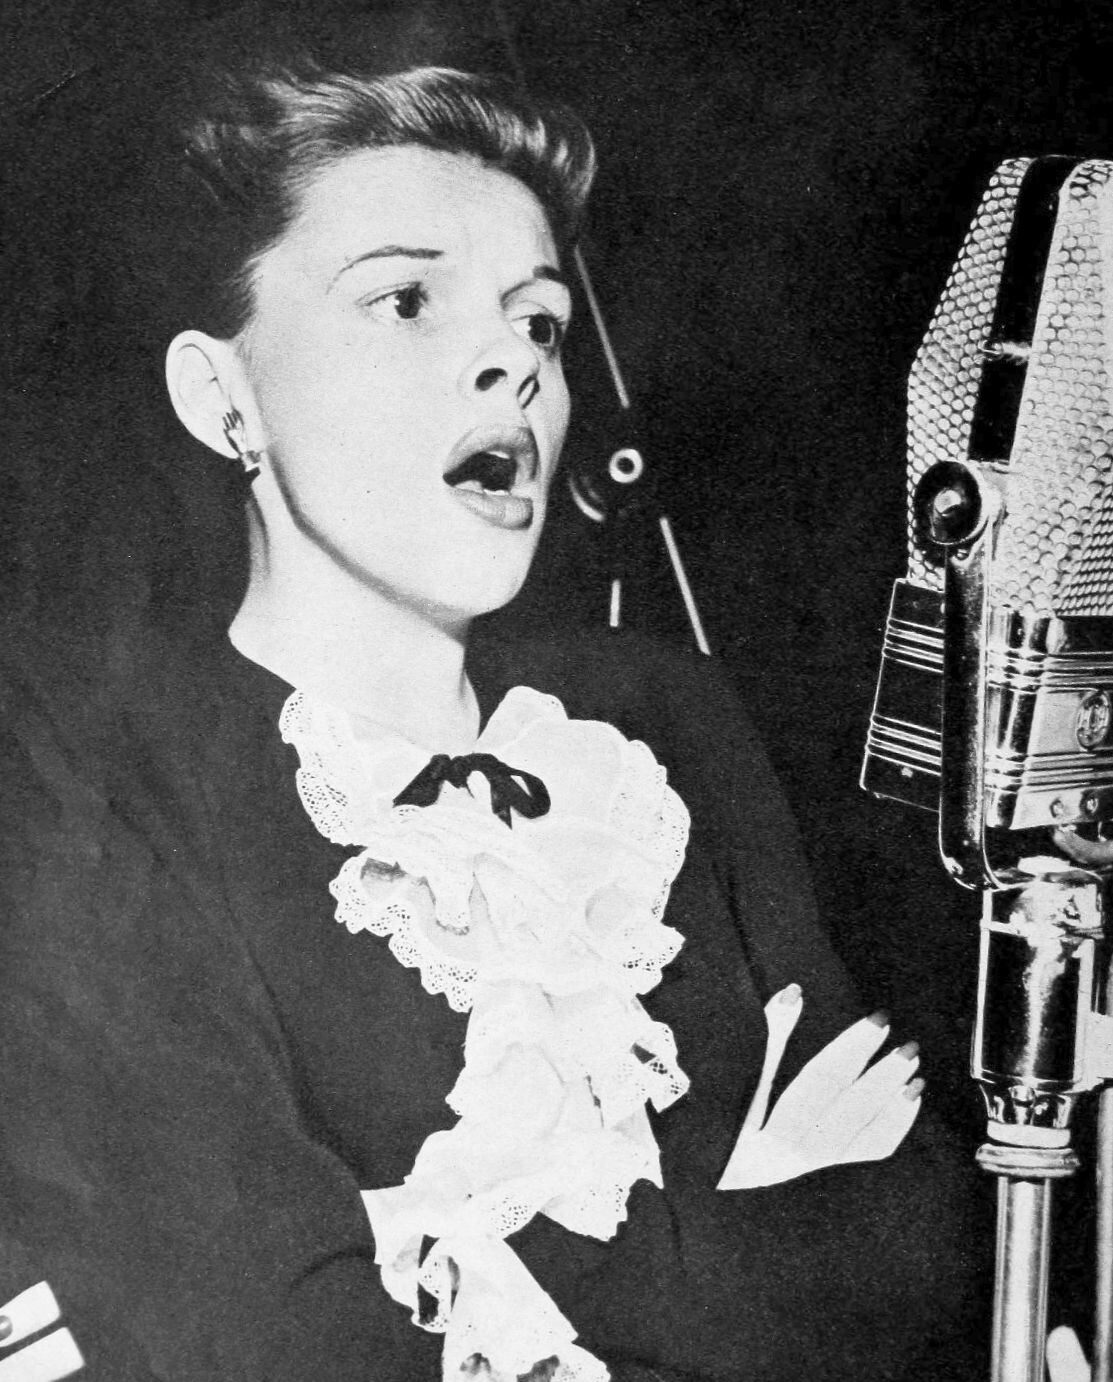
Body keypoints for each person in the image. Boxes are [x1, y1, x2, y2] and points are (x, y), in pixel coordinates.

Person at [0, 52, 985, 1381]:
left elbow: (917, 1239)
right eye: (406, 300)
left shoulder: (664, 723)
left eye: (539, 323)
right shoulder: (96, 799)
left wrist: (456, 1259)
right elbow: (280, 1344)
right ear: (222, 397)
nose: (510, 363)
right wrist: (740, 1223)